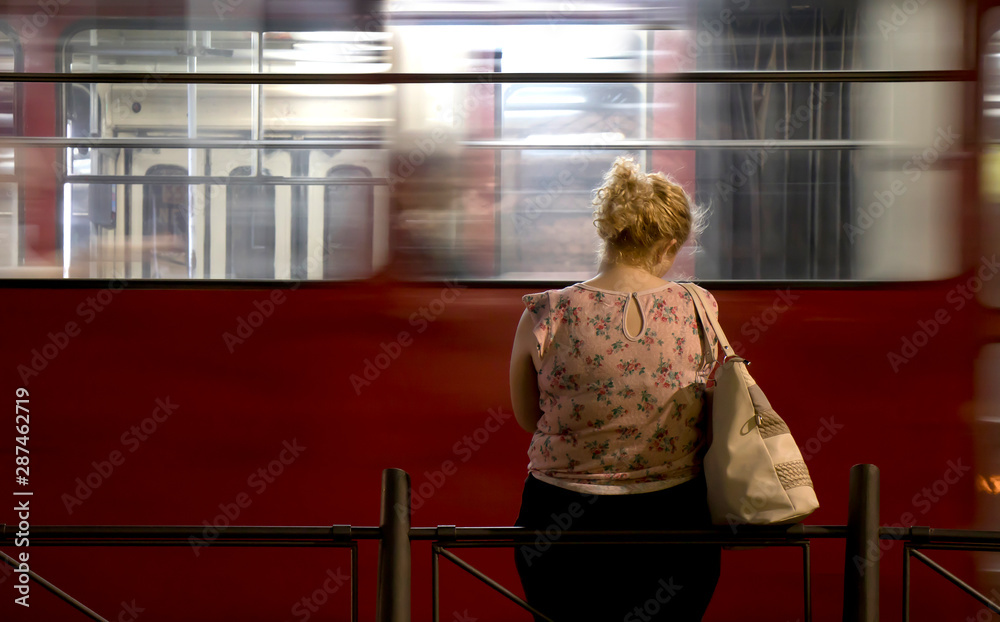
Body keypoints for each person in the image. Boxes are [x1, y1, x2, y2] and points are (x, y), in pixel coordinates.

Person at [508, 156, 722, 622]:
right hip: (673, 520)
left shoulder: (546, 312)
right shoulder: (698, 306)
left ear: (606, 233)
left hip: (559, 521)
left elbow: (528, 418)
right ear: (669, 244)